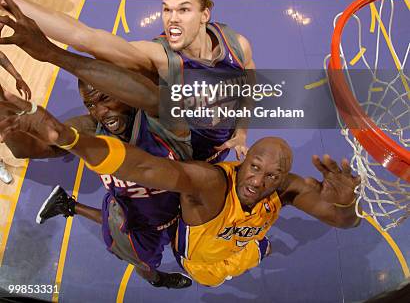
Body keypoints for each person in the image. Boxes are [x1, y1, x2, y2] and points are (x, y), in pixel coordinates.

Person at [0, 94, 362, 288]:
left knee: (254, 247)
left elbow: (345, 222)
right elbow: (144, 167)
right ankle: (150, 273)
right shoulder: (210, 182)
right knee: (143, 260)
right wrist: (66, 138)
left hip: (220, 234)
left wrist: (346, 204)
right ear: (242, 158)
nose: (259, 181)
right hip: (162, 231)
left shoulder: (283, 187)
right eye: (254, 168)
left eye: (272, 175)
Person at [0, 0, 250, 161]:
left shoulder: (236, 46)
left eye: (183, 9)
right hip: (177, 156)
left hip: (216, 153)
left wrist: (240, 133)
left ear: (204, 14)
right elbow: (83, 37)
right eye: (166, 9)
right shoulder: (159, 57)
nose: (172, 18)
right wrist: (8, 0)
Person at [1, 79, 191, 289]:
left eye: (105, 98)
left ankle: (68, 205)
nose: (100, 111)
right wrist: (3, 113)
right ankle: (158, 280)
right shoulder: (90, 128)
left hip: (182, 205)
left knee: (193, 246)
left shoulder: (156, 115)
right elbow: (26, 150)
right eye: (90, 105)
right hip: (134, 217)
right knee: (143, 264)